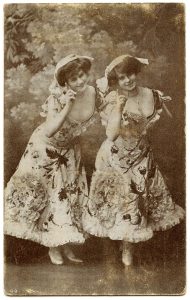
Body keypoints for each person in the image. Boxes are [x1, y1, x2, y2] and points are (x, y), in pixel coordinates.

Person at [83, 54, 185, 267]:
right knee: (122, 201)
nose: (128, 80)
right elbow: (111, 135)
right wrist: (119, 108)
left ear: (136, 72)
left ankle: (128, 245)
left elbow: (150, 126)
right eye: (122, 78)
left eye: (130, 74)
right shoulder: (112, 99)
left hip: (141, 156)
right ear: (116, 81)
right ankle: (123, 248)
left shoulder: (151, 94)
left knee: (139, 201)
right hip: (116, 156)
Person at [4, 54, 99, 265]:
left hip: (69, 151)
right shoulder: (58, 96)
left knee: (66, 198)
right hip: (45, 149)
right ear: (65, 82)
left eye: (81, 75)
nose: (80, 81)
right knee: (48, 196)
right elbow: (49, 130)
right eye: (73, 79)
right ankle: (52, 247)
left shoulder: (92, 92)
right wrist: (66, 105)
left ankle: (64, 245)